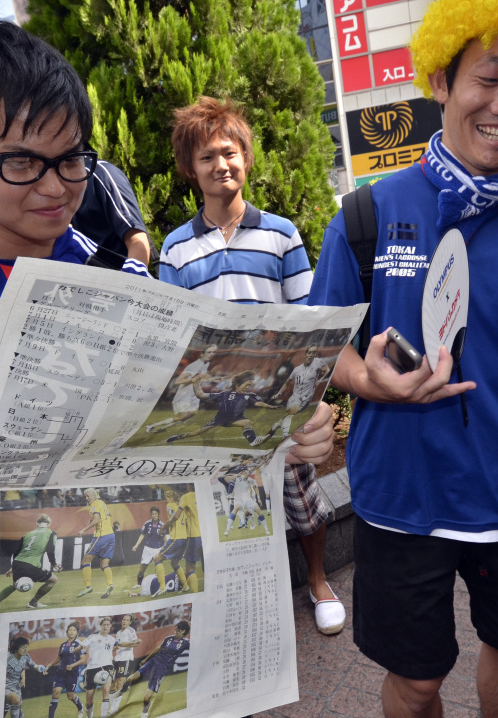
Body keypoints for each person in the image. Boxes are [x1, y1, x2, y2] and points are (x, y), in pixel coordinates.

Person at [307, 0, 498, 718]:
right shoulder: (365, 216)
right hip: (401, 496)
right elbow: (319, 351)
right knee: (414, 681)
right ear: (440, 80)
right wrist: (363, 378)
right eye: (490, 76)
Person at [0, 22, 149, 718]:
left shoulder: (114, 273)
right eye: (22, 162)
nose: (56, 187)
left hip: (115, 576)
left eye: (72, 159)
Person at [158, 95, 342, 634]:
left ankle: (317, 581)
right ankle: (246, 599)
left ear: (247, 157)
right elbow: (177, 334)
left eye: (230, 151)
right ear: (190, 170)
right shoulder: (174, 249)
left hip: (280, 395)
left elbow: (309, 318)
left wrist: (311, 392)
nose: (221, 165)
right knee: (227, 505)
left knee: (302, 497)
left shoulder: (281, 234)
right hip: (214, 400)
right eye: (207, 157)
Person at [165, 371, 281, 446]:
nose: (248, 387)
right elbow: (201, 395)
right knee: (197, 432)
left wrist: (271, 406)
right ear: (237, 385)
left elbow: (259, 404)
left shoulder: (249, 395)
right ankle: (178, 437)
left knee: (247, 422)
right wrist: (195, 383)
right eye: (246, 385)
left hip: (236, 419)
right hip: (220, 419)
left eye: (249, 386)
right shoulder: (224, 394)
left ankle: (253, 441)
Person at [71, 159, 153, 265]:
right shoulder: (51, 183)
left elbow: (137, 241)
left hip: (117, 276)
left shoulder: (101, 174)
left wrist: (129, 281)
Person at [119, 620, 190, 718]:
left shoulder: (186, 643)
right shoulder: (168, 639)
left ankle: (145, 709)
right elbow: (158, 649)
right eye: (175, 629)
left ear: (183, 631)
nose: (175, 631)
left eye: (178, 630)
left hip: (161, 668)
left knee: (146, 698)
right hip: (153, 661)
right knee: (130, 678)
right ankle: (123, 689)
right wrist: (145, 659)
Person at [145, 344, 217, 435]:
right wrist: (194, 379)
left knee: (192, 413)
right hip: (184, 395)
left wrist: (211, 379)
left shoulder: (205, 364)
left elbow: (198, 379)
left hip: (193, 394)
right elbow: (178, 381)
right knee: (182, 417)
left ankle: (162, 428)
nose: (211, 354)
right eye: (209, 352)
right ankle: (152, 426)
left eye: (214, 352)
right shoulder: (194, 366)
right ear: (202, 354)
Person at [0, 513, 62, 609]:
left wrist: (12, 568)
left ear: (36, 523)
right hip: (31, 565)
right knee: (53, 580)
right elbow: (50, 550)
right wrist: (54, 564)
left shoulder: (27, 534)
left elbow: (16, 552)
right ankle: (33, 602)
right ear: (49, 524)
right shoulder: (51, 532)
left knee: (14, 585)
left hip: (17, 563)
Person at [76, 488, 116, 599]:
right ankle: (110, 585)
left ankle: (87, 586)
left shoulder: (94, 505)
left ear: (94, 495)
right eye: (86, 496)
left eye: (88, 496)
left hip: (101, 536)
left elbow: (96, 520)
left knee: (85, 561)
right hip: (111, 536)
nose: (87, 498)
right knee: (104, 564)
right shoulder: (102, 503)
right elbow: (109, 514)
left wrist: (83, 530)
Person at [45, 622, 85, 718]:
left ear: (76, 632)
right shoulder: (63, 645)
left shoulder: (79, 644)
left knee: (70, 696)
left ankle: (80, 707)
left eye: (74, 630)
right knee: (56, 692)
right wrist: (49, 665)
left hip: (72, 674)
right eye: (70, 630)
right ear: (67, 632)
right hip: (61, 672)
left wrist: (72, 665)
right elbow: (59, 657)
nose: (72, 632)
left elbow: (83, 659)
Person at [80, 617, 117, 718]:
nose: (105, 626)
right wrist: (79, 649)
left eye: (107, 624)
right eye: (104, 624)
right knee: (89, 699)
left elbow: (119, 645)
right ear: (101, 626)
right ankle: (89, 717)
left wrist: (132, 643)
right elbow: (82, 646)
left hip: (107, 667)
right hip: (92, 668)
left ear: (110, 626)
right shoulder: (93, 637)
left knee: (106, 691)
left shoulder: (112, 639)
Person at [5, 636, 45, 718]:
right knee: (15, 700)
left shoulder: (26, 657)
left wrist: (39, 668)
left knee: (19, 711)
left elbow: (33, 665)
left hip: (16, 687)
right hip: (5, 688)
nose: (26, 649)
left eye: (27, 647)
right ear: (16, 647)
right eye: (23, 647)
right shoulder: (7, 658)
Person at [110, 614, 142, 715]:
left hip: (126, 659)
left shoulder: (131, 630)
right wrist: (114, 647)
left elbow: (136, 642)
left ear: (130, 622)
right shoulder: (119, 632)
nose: (124, 621)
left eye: (127, 620)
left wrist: (126, 643)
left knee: (120, 681)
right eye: (124, 619)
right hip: (117, 659)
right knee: (112, 683)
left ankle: (115, 707)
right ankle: (113, 704)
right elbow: (118, 645)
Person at [131, 506, 167, 586]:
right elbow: (142, 535)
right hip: (148, 548)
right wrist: (136, 545)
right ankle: (139, 583)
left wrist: (167, 545)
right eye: (152, 514)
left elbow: (164, 536)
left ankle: (159, 583)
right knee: (142, 567)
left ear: (158, 514)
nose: (154, 515)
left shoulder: (162, 524)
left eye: (155, 514)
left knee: (158, 566)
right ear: (151, 515)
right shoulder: (147, 523)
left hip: (158, 549)